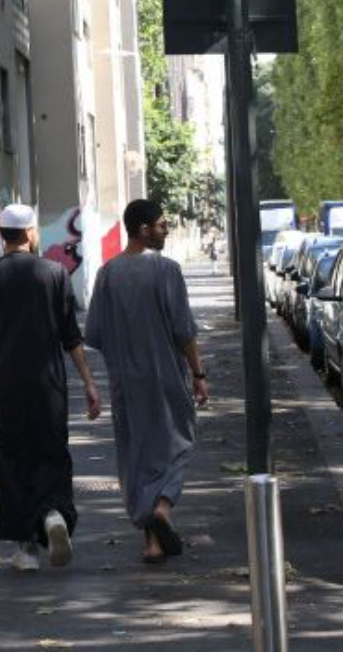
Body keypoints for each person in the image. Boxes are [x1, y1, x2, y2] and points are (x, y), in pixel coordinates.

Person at [0, 204, 102, 572]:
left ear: (2, 234)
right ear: (29, 233)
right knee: (52, 453)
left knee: (12, 459)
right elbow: (71, 337)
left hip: (5, 386)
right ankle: (54, 513)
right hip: (48, 385)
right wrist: (89, 382)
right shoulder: (55, 273)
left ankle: (26, 549)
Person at [85, 199, 210, 564]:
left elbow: (95, 333)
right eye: (161, 225)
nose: (166, 231)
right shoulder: (167, 270)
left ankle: (151, 542)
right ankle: (163, 508)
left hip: (126, 382)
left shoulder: (107, 274)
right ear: (143, 230)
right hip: (166, 376)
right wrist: (199, 374)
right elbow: (184, 330)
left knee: (136, 454)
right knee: (177, 445)